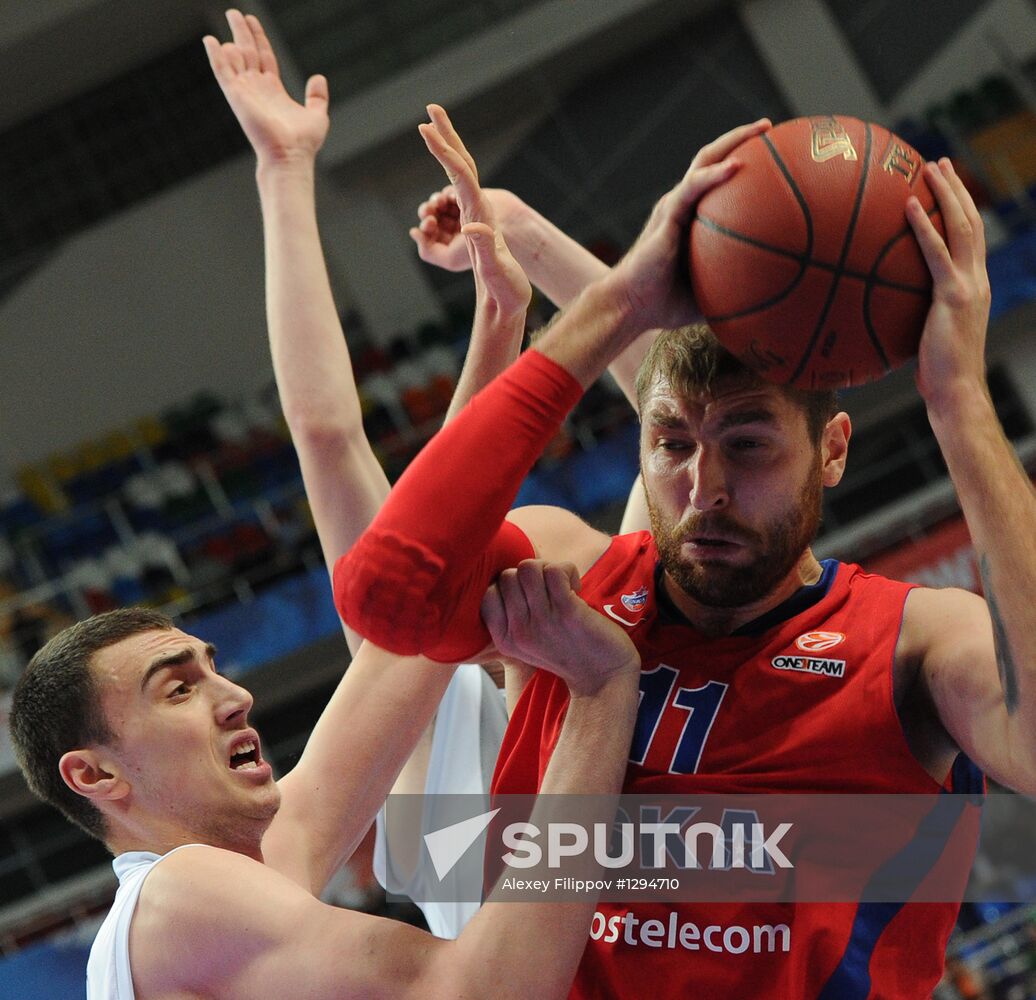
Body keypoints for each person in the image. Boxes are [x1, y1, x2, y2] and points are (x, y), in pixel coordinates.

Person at [335, 106, 1034, 997]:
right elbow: (389, 592)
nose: (704, 487)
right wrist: (617, 302)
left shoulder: (913, 642)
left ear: (831, 450)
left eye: (747, 445)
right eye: (671, 445)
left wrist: (959, 400)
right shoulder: (573, 579)